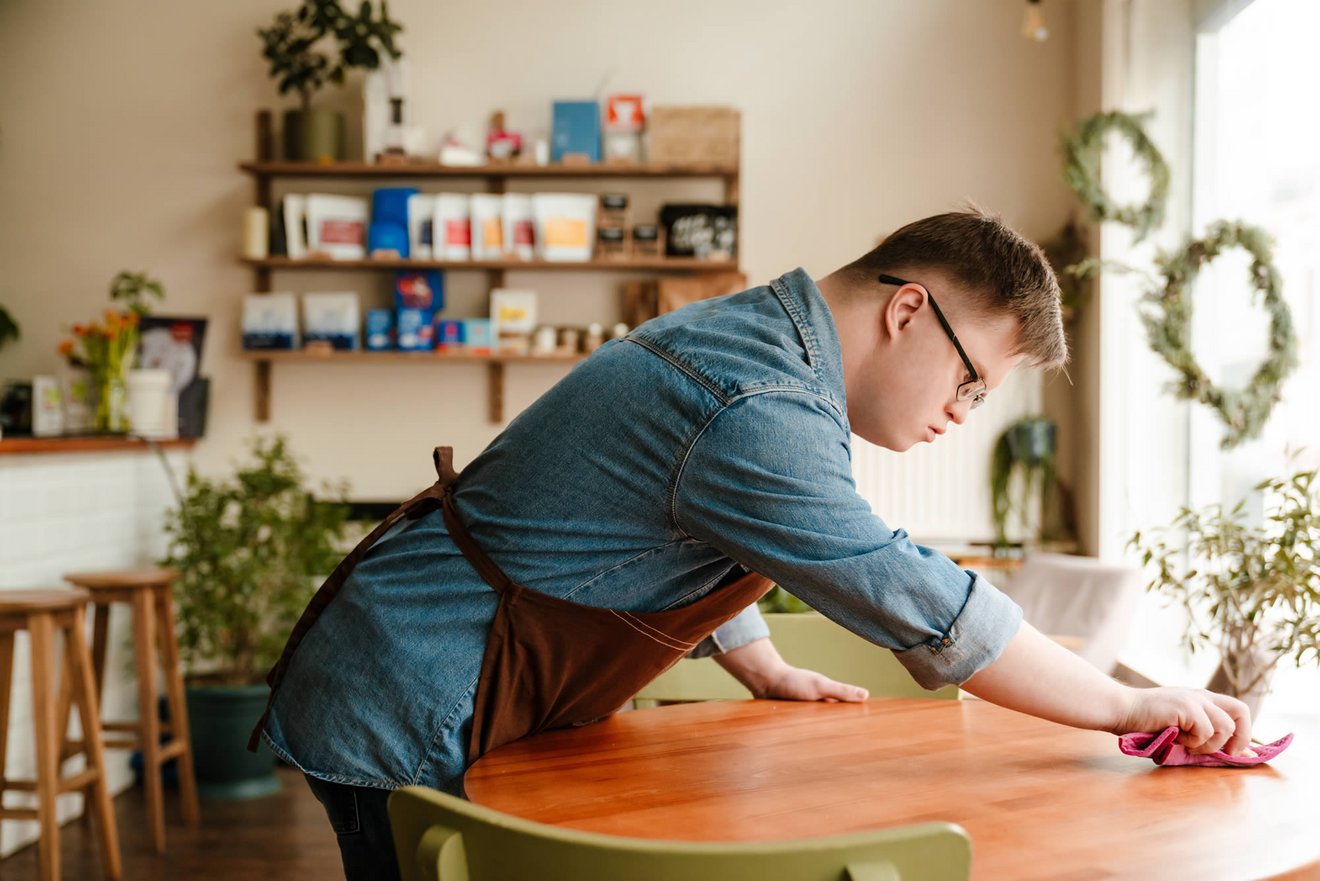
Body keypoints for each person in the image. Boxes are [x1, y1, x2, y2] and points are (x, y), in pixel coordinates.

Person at [254, 207, 1252, 881]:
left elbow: (673, 515)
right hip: (408, 691)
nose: (962, 412)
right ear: (908, 308)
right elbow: (920, 600)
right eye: (970, 382)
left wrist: (758, 659)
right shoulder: (759, 402)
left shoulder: (760, 346)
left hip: (431, 667)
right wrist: (1126, 701)